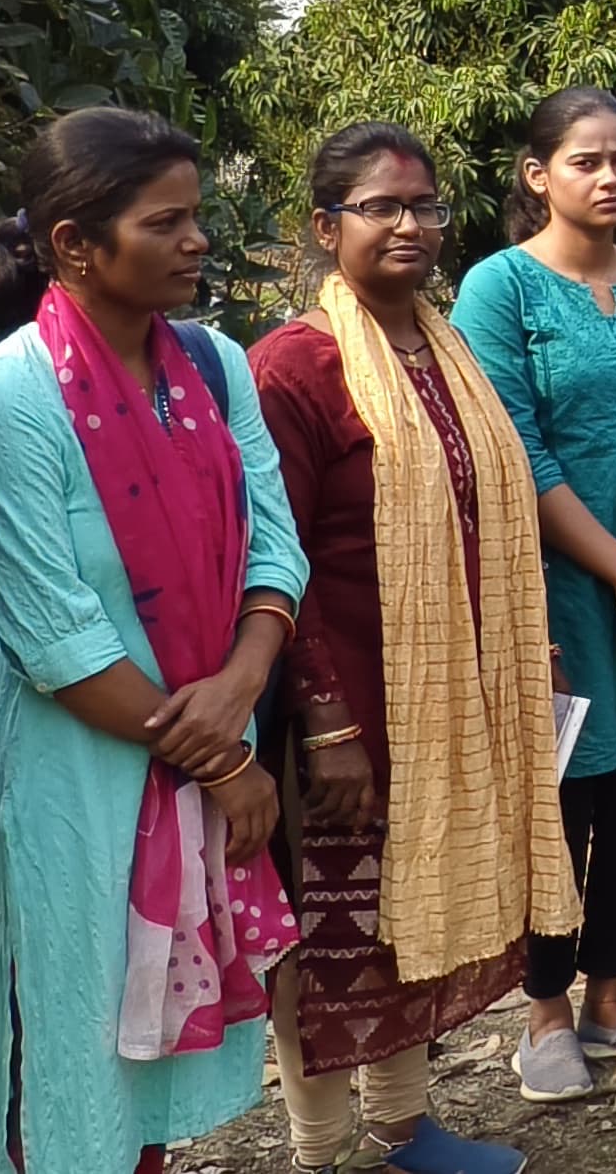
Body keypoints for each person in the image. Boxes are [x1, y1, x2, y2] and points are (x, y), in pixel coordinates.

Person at [0, 107, 308, 1173]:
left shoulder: (214, 366)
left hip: (196, 736)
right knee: (62, 1040)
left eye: (197, 218)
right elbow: (56, 639)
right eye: (166, 223)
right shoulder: (12, 401)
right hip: (73, 767)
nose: (198, 242)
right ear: (74, 246)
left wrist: (240, 688)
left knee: (146, 1041)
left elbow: (274, 546)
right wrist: (228, 760)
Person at [248, 124, 578, 1174]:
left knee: (408, 927)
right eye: (380, 206)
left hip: (457, 697)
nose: (409, 224)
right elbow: (272, 560)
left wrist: (539, 654)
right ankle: (322, 1146)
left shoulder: (447, 351)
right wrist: (327, 723)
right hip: (347, 713)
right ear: (324, 226)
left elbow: (497, 520)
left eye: (425, 206)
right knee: (333, 934)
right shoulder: (294, 370)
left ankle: (402, 1126)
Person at [450, 87, 616, 1099]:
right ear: (538, 176)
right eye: (585, 162)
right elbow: (519, 451)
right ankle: (546, 1012)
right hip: (560, 584)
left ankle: (611, 1001)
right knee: (564, 798)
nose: (610, 178)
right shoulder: (499, 291)